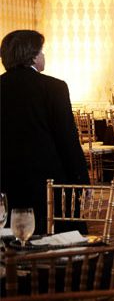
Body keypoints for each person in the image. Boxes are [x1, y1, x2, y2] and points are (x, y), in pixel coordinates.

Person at [0, 30, 90, 235]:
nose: (43, 56)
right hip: (48, 179)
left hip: (6, 177)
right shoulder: (53, 87)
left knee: (12, 234)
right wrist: (81, 180)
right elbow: (67, 138)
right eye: (42, 52)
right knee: (55, 233)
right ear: (32, 55)